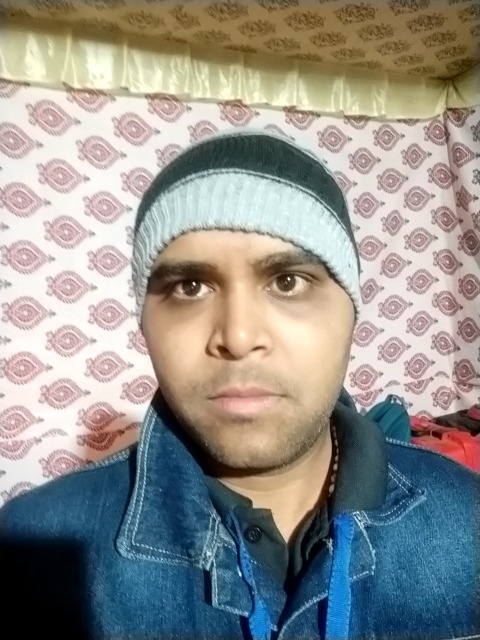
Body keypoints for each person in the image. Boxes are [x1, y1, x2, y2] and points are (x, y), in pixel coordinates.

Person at [0, 130, 478, 640]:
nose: (238, 336)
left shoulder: (469, 522)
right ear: (145, 323)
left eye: (288, 281)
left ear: (352, 313)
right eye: (190, 287)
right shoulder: (30, 550)